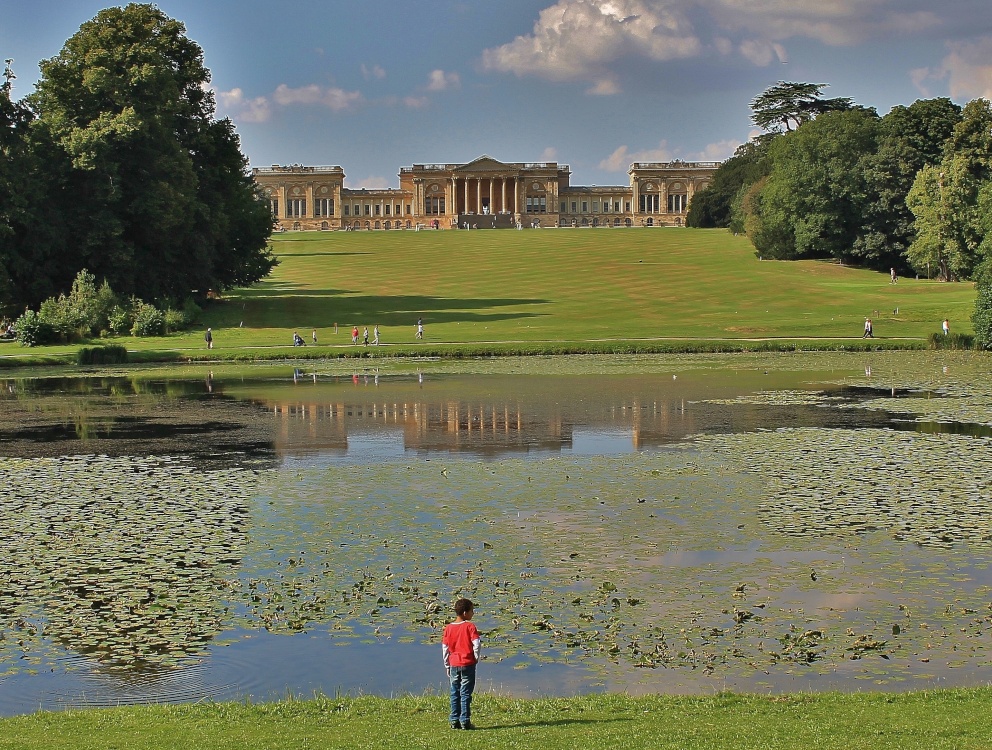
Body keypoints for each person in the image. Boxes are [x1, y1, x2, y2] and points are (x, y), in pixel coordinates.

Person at [442, 598, 480, 730]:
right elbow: (476, 644)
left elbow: (445, 648)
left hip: (454, 664)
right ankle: (465, 721)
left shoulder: (448, 628)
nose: (473, 613)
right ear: (465, 613)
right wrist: (475, 657)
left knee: (454, 692)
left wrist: (447, 664)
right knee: (465, 693)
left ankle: (454, 720)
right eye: (471, 611)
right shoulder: (470, 626)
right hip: (467, 664)